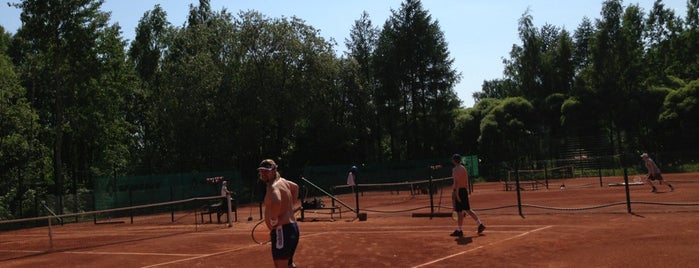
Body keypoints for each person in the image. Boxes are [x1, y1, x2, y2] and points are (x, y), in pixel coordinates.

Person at [258, 159, 301, 268]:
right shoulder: (283, 181)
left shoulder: (273, 187)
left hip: (282, 231)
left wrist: (273, 220)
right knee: (289, 264)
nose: (263, 174)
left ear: (274, 170)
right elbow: (295, 187)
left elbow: (277, 201)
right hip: (291, 228)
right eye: (261, 171)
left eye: (266, 171)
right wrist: (290, 206)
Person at [450, 154, 485, 237]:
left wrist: (457, 194)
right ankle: (480, 224)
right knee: (468, 209)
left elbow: (457, 182)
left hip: (458, 191)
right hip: (464, 190)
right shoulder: (463, 168)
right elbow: (466, 180)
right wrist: (466, 191)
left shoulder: (455, 169)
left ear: (454, 160)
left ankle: (459, 230)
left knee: (459, 212)